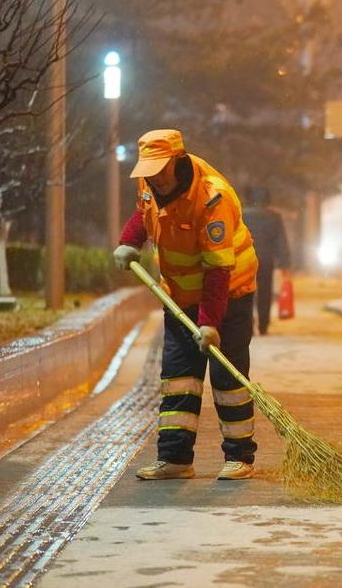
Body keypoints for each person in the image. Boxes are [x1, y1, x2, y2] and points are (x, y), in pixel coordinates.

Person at [112, 129, 259, 481]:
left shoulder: (212, 199)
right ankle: (175, 458)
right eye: (147, 171)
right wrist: (130, 241)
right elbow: (144, 211)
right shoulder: (150, 182)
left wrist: (210, 322)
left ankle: (240, 457)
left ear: (177, 162)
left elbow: (219, 269)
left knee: (228, 377)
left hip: (229, 295)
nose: (153, 178)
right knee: (178, 377)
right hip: (178, 296)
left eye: (159, 170)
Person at [241, 186, 291, 335]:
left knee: (245, 292)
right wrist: (285, 263)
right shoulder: (274, 217)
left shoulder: (243, 215)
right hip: (266, 259)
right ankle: (263, 324)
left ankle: (248, 324)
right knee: (265, 292)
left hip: (246, 259)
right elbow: (281, 241)